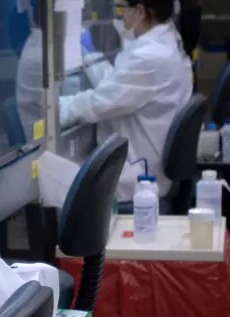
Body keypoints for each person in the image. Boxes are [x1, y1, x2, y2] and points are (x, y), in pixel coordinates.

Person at [59, 0, 193, 202]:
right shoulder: (167, 44)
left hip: (139, 180)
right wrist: (91, 55)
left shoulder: (149, 57)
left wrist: (53, 110)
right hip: (153, 166)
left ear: (140, 11)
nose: (119, 16)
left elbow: (100, 103)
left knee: (59, 186)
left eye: (121, 9)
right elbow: (121, 88)